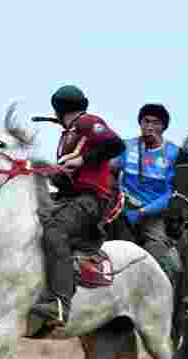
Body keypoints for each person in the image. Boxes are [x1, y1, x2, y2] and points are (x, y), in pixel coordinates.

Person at [30, 85, 126, 326]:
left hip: (92, 200)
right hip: (71, 197)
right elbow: (68, 176)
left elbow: (115, 145)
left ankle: (60, 305)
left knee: (55, 231)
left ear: (60, 110)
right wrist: (48, 172)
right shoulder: (68, 135)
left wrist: (82, 159)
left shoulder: (87, 122)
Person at [107, 103, 182, 286]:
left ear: (164, 126)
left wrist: (143, 212)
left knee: (160, 257)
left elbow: (170, 193)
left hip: (153, 214)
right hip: (122, 209)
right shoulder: (126, 146)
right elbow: (110, 172)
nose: (149, 127)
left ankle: (172, 295)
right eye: (145, 121)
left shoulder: (174, 153)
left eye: (156, 123)